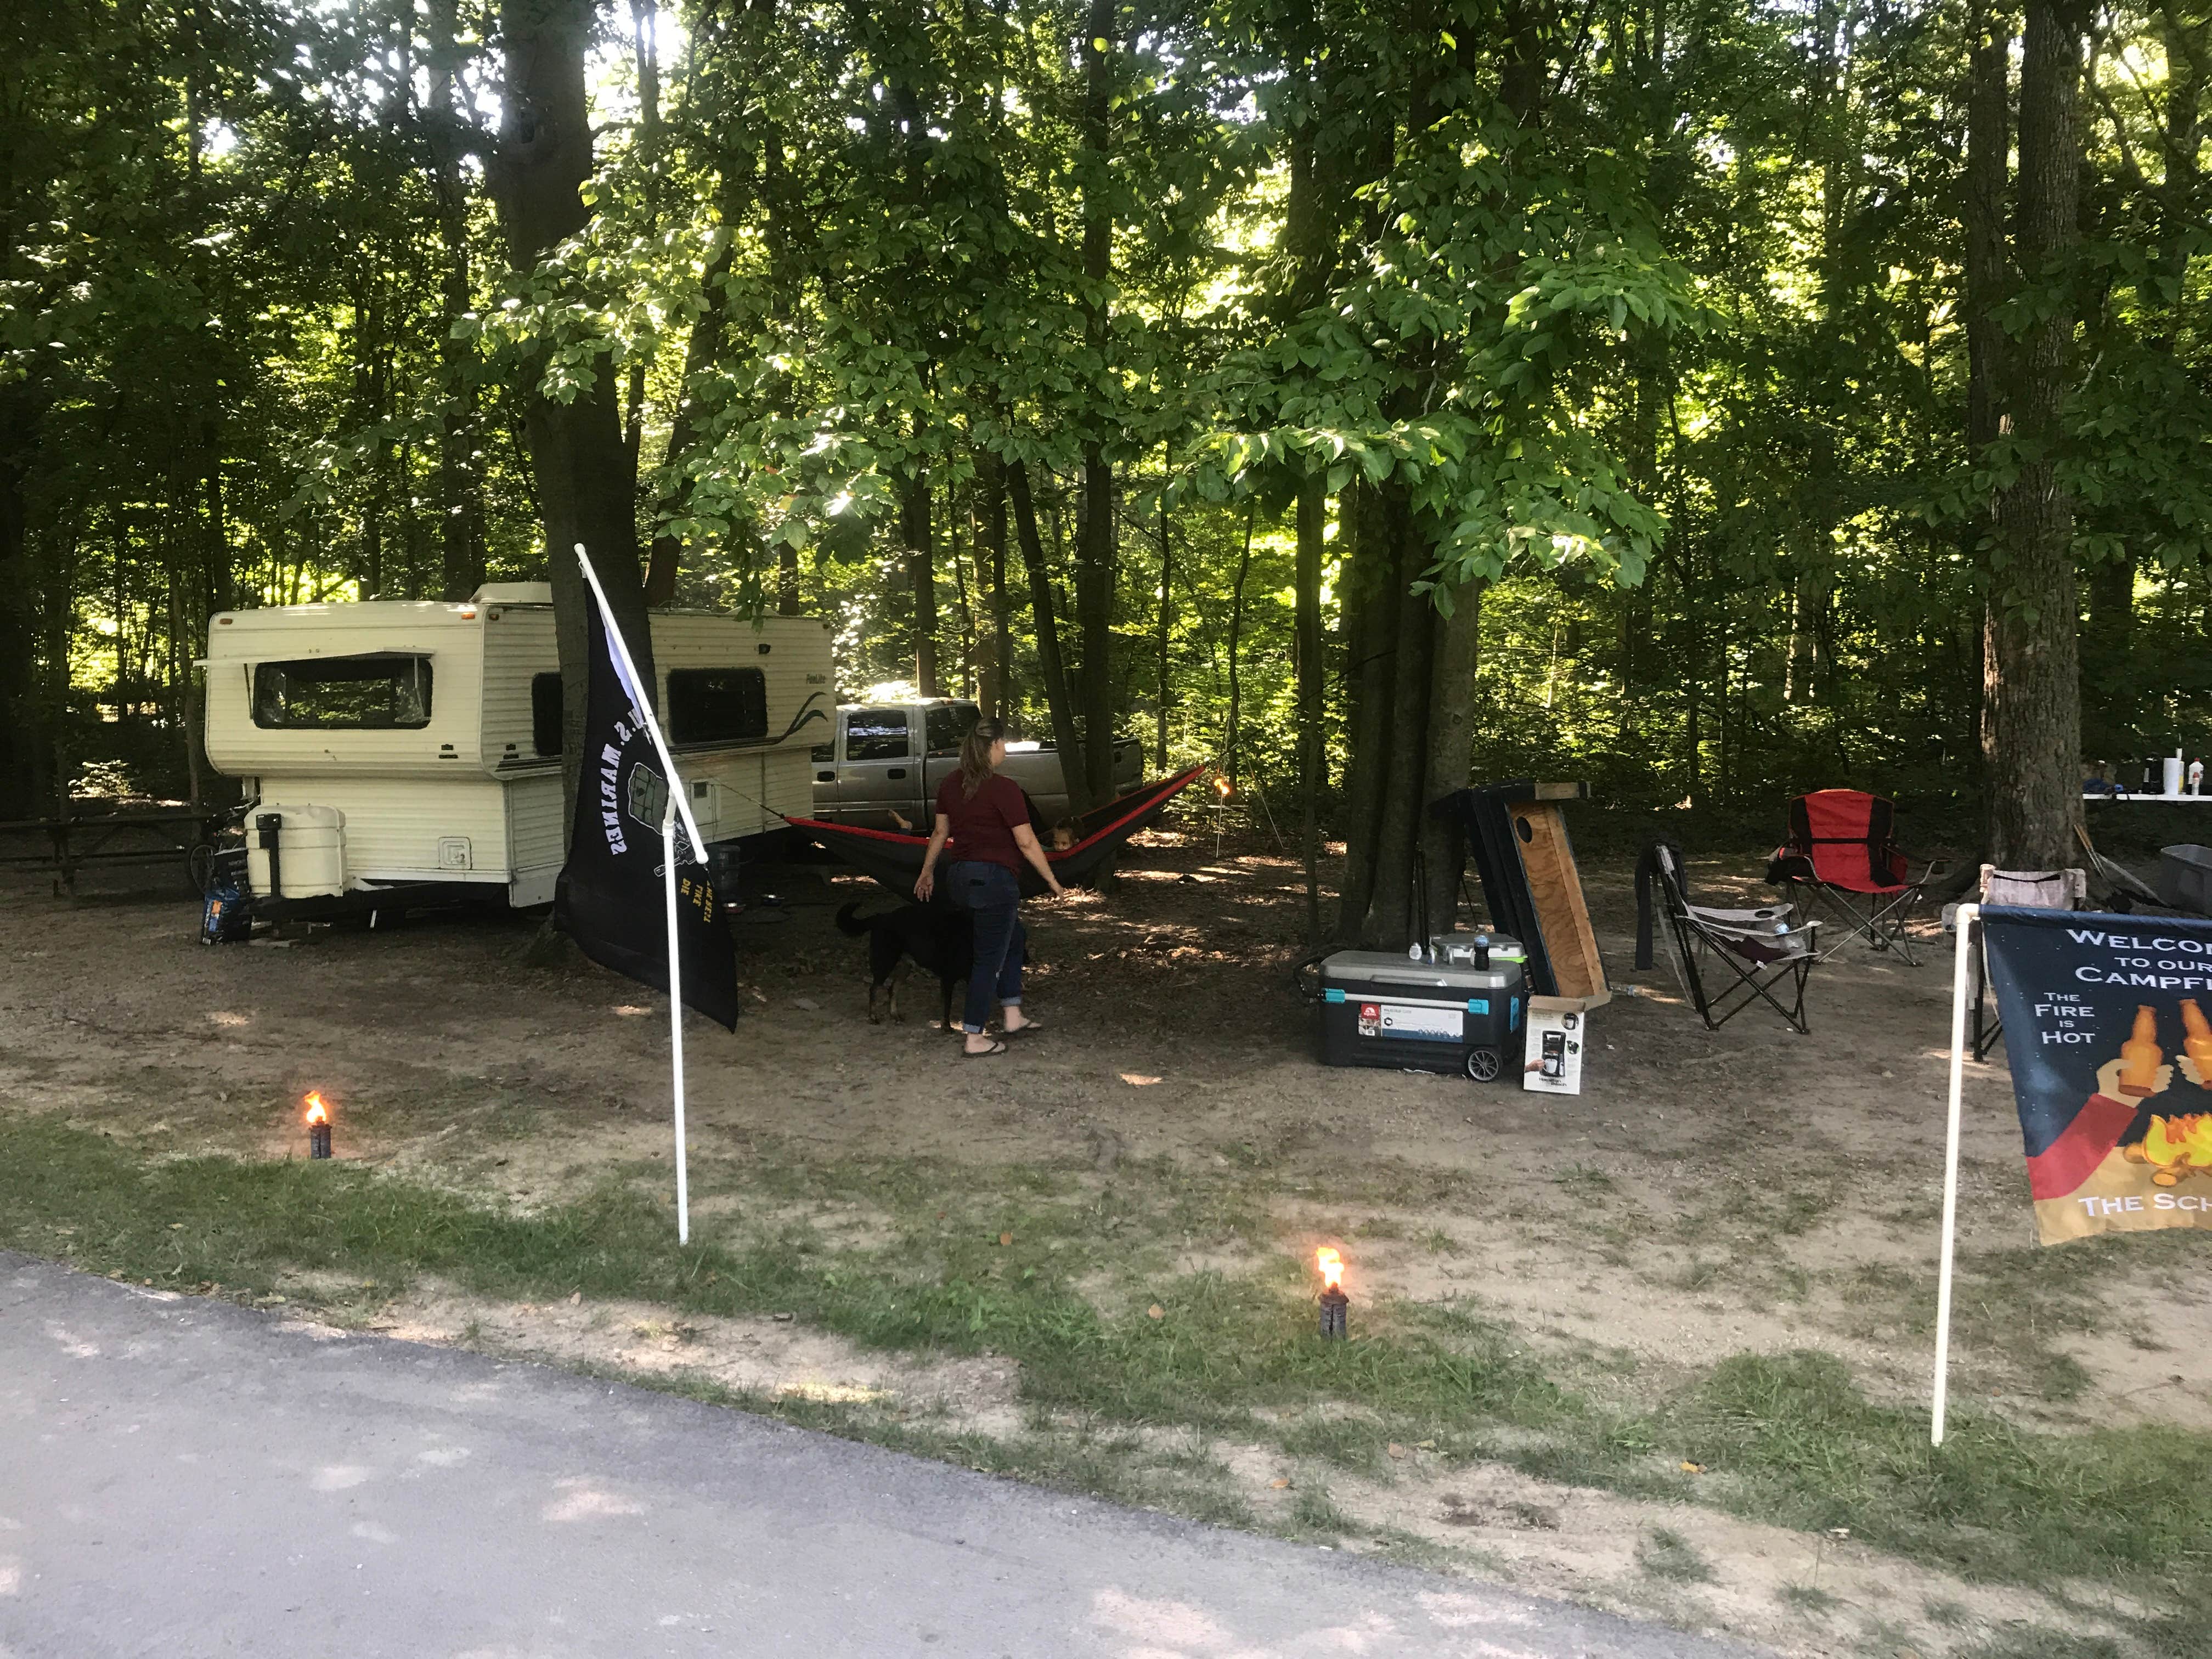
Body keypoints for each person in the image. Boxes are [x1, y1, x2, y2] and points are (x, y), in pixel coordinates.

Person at [915, 719, 1066, 1056]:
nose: (1006, 750)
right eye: (1004, 744)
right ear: (994, 746)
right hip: (993, 881)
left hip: (960, 880)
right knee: (988, 959)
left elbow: (940, 834)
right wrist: (1052, 880)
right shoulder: (1005, 788)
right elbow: (1026, 842)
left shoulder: (950, 784)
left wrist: (928, 872)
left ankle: (1012, 1014)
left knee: (1015, 937)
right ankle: (974, 1036)